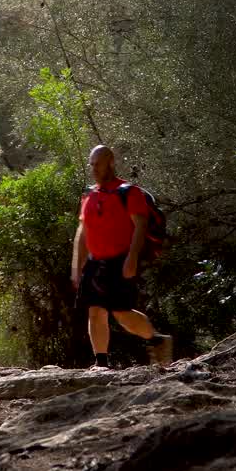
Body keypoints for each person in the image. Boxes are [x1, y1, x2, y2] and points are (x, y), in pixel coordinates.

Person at [72, 144, 173, 369]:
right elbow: (82, 231)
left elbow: (140, 226)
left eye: (98, 164)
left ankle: (156, 340)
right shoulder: (88, 194)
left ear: (110, 162)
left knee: (121, 314)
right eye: (92, 165)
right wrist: (76, 266)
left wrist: (132, 259)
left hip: (120, 261)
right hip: (94, 262)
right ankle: (101, 362)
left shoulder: (129, 192)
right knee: (95, 311)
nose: (94, 169)